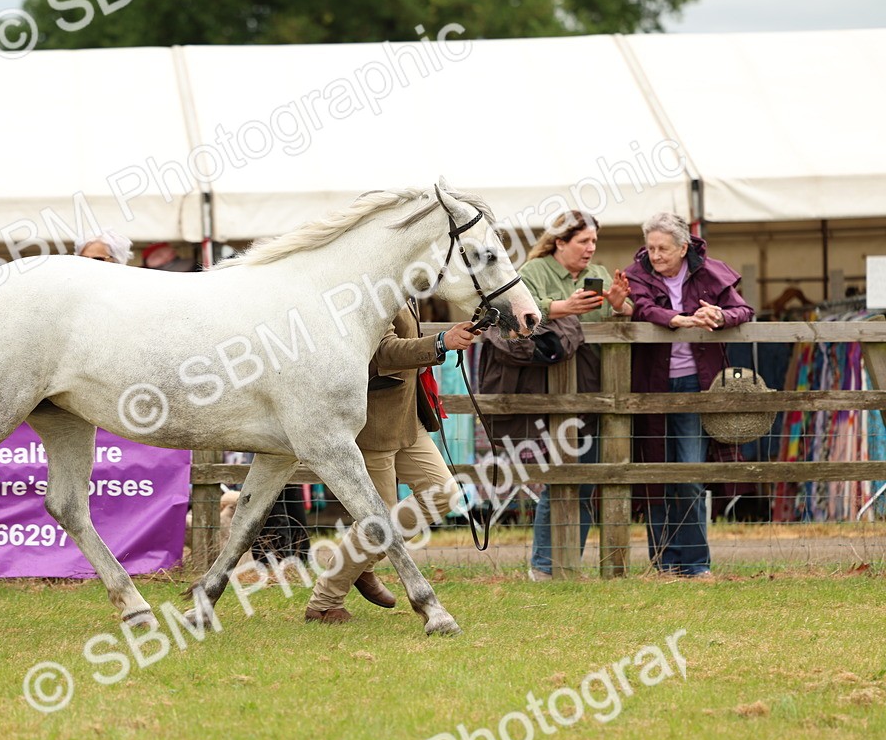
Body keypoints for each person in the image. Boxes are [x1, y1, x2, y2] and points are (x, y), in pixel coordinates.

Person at [304, 300, 480, 624]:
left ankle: (361, 562)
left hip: (409, 419)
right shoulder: (371, 290)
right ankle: (325, 602)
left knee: (444, 493)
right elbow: (384, 351)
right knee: (377, 519)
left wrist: (442, 343)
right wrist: (441, 342)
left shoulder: (405, 286)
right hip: (376, 421)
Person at [624, 212, 753, 577]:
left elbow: (744, 309)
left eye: (663, 248)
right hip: (652, 386)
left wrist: (720, 315)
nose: (656, 255)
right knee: (657, 474)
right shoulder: (637, 274)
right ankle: (663, 563)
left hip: (697, 386)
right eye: (650, 248)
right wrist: (674, 319)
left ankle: (696, 565)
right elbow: (642, 308)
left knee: (690, 474)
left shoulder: (711, 272)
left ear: (683, 248)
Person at [504, 211, 631, 581]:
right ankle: (545, 567)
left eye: (594, 242)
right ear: (560, 242)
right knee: (558, 479)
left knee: (588, 479)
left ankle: (568, 565)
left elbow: (624, 316)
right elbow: (515, 314)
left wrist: (620, 303)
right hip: (547, 389)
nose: (591, 249)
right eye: (583, 242)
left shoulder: (602, 275)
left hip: (596, 388)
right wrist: (563, 308)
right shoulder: (533, 272)